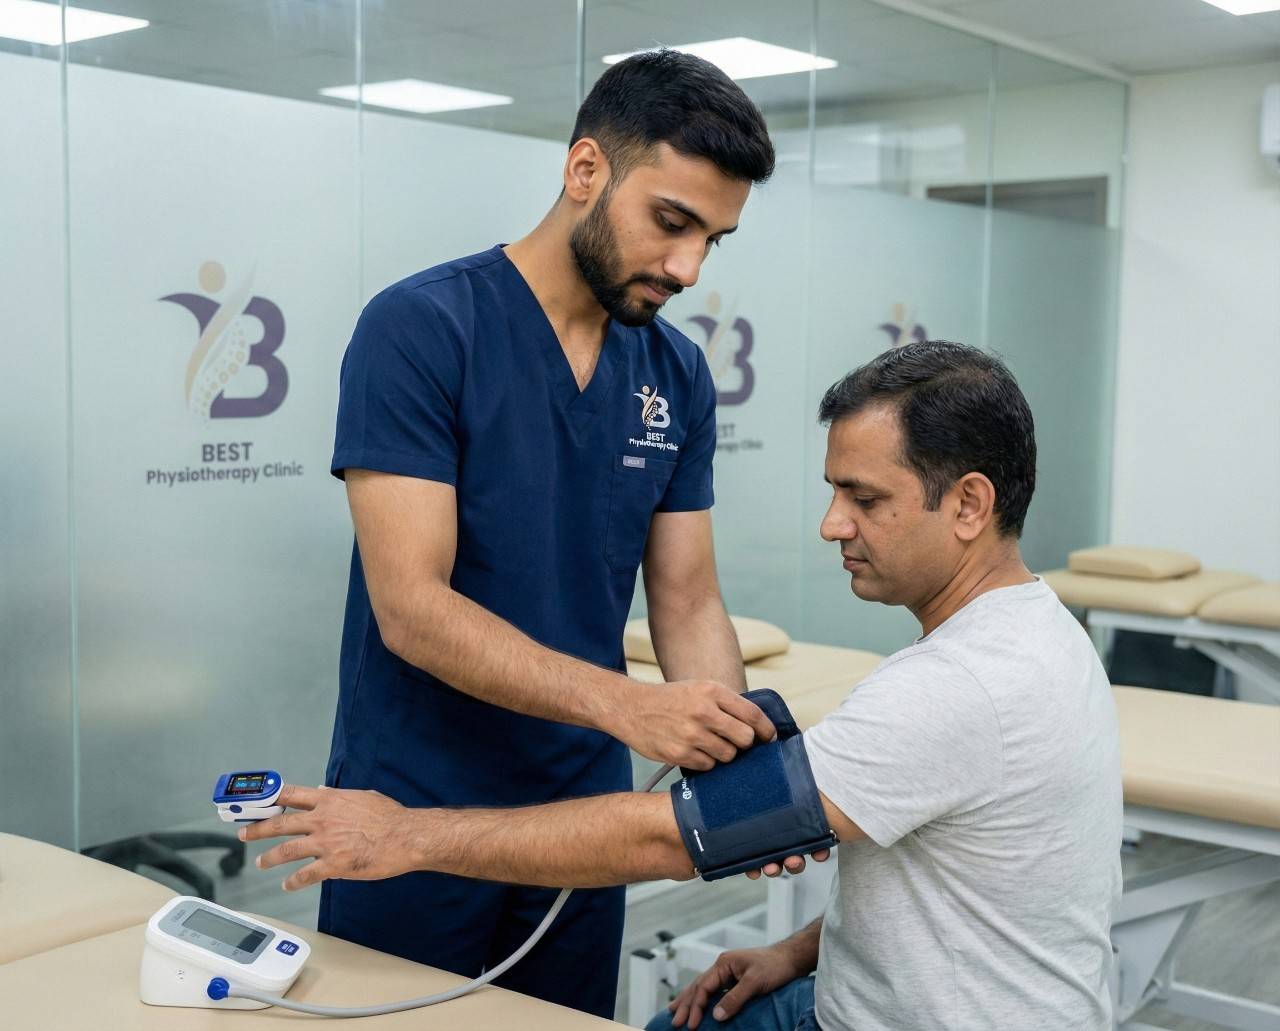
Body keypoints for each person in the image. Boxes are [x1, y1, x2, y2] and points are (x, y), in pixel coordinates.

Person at [251, 341, 1123, 1031]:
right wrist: (807, 948)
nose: (832, 524)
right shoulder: (1043, 631)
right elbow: (973, 891)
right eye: (834, 493)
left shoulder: (960, 685)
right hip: (856, 992)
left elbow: (677, 839)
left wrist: (405, 833)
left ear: (969, 505)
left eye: (864, 498)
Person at [320, 50, 782, 1018]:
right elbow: (411, 606)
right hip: (414, 800)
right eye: (670, 222)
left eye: (714, 240)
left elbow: (688, 597)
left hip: (583, 812)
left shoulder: (676, 373)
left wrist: (743, 773)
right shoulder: (423, 328)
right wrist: (626, 705)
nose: (687, 267)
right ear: (584, 172)